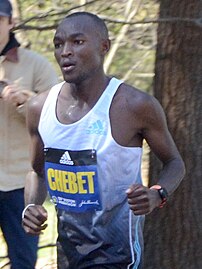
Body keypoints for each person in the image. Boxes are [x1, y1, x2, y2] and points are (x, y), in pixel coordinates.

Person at [22, 11, 185, 269]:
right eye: (58, 44)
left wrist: (157, 194)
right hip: (68, 254)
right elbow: (37, 171)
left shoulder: (134, 105)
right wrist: (30, 206)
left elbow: (175, 162)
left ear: (104, 46)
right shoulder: (38, 107)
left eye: (77, 42)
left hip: (118, 255)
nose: (65, 51)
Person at [0, 0, 58, 268]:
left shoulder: (37, 65)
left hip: (22, 185)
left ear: (11, 23)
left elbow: (59, 117)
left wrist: (27, 102)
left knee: (23, 262)